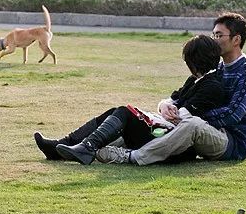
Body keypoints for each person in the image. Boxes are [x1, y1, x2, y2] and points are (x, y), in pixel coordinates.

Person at [93, 12, 246, 165]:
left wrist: (184, 116)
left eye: (219, 35)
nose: (214, 40)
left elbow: (233, 114)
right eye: (213, 35)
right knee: (148, 117)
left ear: (236, 39)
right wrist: (165, 105)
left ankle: (134, 157)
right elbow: (182, 96)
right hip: (208, 130)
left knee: (192, 124)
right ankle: (94, 147)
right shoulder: (216, 68)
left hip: (232, 143)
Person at [36, 35, 225, 165]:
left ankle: (86, 147)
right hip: (165, 131)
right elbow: (171, 100)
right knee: (115, 111)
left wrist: (169, 109)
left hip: (175, 143)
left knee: (125, 112)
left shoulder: (213, 85)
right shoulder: (195, 80)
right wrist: (165, 105)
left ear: (195, 59)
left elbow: (184, 116)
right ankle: (65, 145)